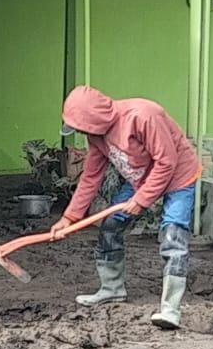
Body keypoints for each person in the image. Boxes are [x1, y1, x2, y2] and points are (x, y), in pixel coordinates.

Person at [52, 85, 201, 330]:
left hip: (178, 177)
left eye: (80, 127)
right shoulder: (97, 136)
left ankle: (170, 310)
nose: (79, 133)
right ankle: (112, 289)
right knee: (110, 225)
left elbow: (167, 162)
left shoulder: (143, 116)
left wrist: (141, 200)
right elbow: (91, 176)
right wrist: (69, 218)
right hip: (140, 179)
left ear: (94, 120)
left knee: (173, 236)